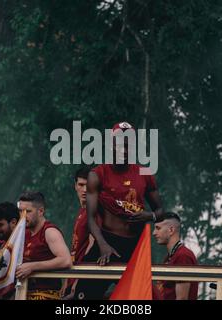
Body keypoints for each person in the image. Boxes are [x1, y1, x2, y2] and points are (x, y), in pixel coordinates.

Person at [74, 121, 164, 300]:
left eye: (129, 144)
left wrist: (150, 215)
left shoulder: (144, 172)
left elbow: (161, 211)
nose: (124, 148)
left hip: (135, 246)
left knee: (148, 298)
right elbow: (91, 217)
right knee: (82, 297)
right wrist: (103, 245)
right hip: (107, 243)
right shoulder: (97, 174)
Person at [15, 191, 72, 300]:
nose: (23, 216)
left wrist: (32, 266)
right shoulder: (23, 232)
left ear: (40, 211)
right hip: (22, 293)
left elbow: (66, 260)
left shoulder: (50, 231)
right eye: (20, 211)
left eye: (28, 211)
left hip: (47, 295)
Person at [60, 167, 96, 299]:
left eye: (89, 185)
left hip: (83, 278)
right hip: (74, 274)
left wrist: (79, 279)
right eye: (81, 185)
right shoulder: (82, 212)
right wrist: (67, 279)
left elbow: (93, 246)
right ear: (75, 186)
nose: (85, 190)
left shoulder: (95, 211)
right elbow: (75, 249)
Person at [153, 212, 198, 300]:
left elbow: (182, 298)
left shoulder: (183, 256)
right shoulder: (171, 256)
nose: (154, 233)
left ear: (171, 230)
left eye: (158, 228)